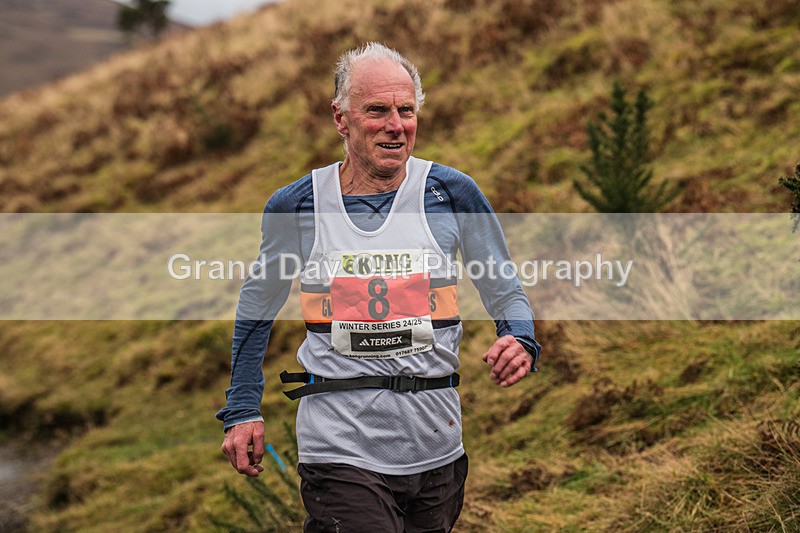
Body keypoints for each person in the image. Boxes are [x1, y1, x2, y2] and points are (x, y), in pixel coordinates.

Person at [217, 42, 541, 532]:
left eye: (406, 110)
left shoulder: (451, 194)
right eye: (377, 110)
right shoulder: (297, 206)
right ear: (341, 119)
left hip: (436, 443)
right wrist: (242, 408)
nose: (396, 124)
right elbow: (258, 304)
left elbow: (504, 287)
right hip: (339, 447)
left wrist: (520, 337)